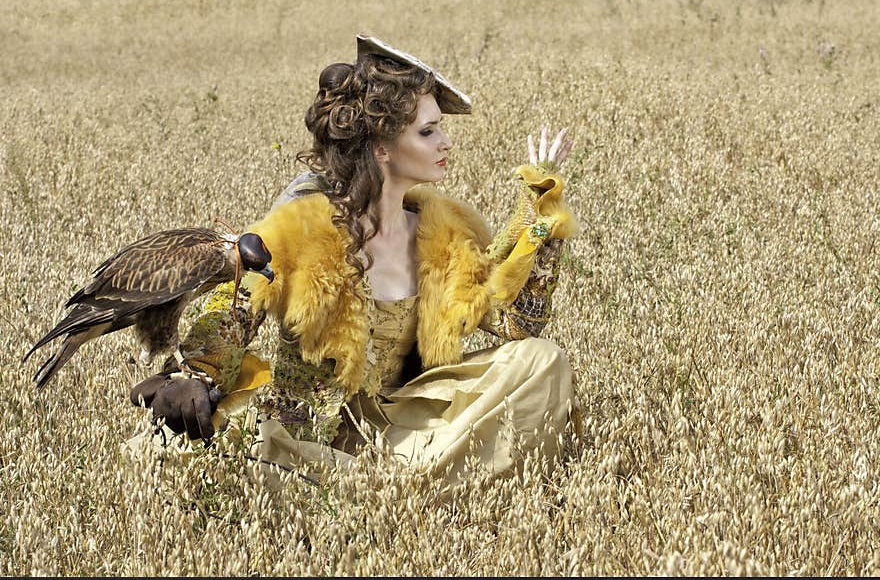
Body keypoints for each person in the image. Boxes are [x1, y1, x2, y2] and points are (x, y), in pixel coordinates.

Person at [130, 34, 582, 489]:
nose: (446, 142)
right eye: (428, 131)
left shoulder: (444, 231)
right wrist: (193, 375)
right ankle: (407, 486)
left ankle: (393, 484)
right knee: (176, 451)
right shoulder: (303, 229)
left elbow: (516, 327)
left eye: (440, 127)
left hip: (409, 423)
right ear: (382, 147)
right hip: (311, 433)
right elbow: (233, 311)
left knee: (542, 361)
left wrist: (541, 213)